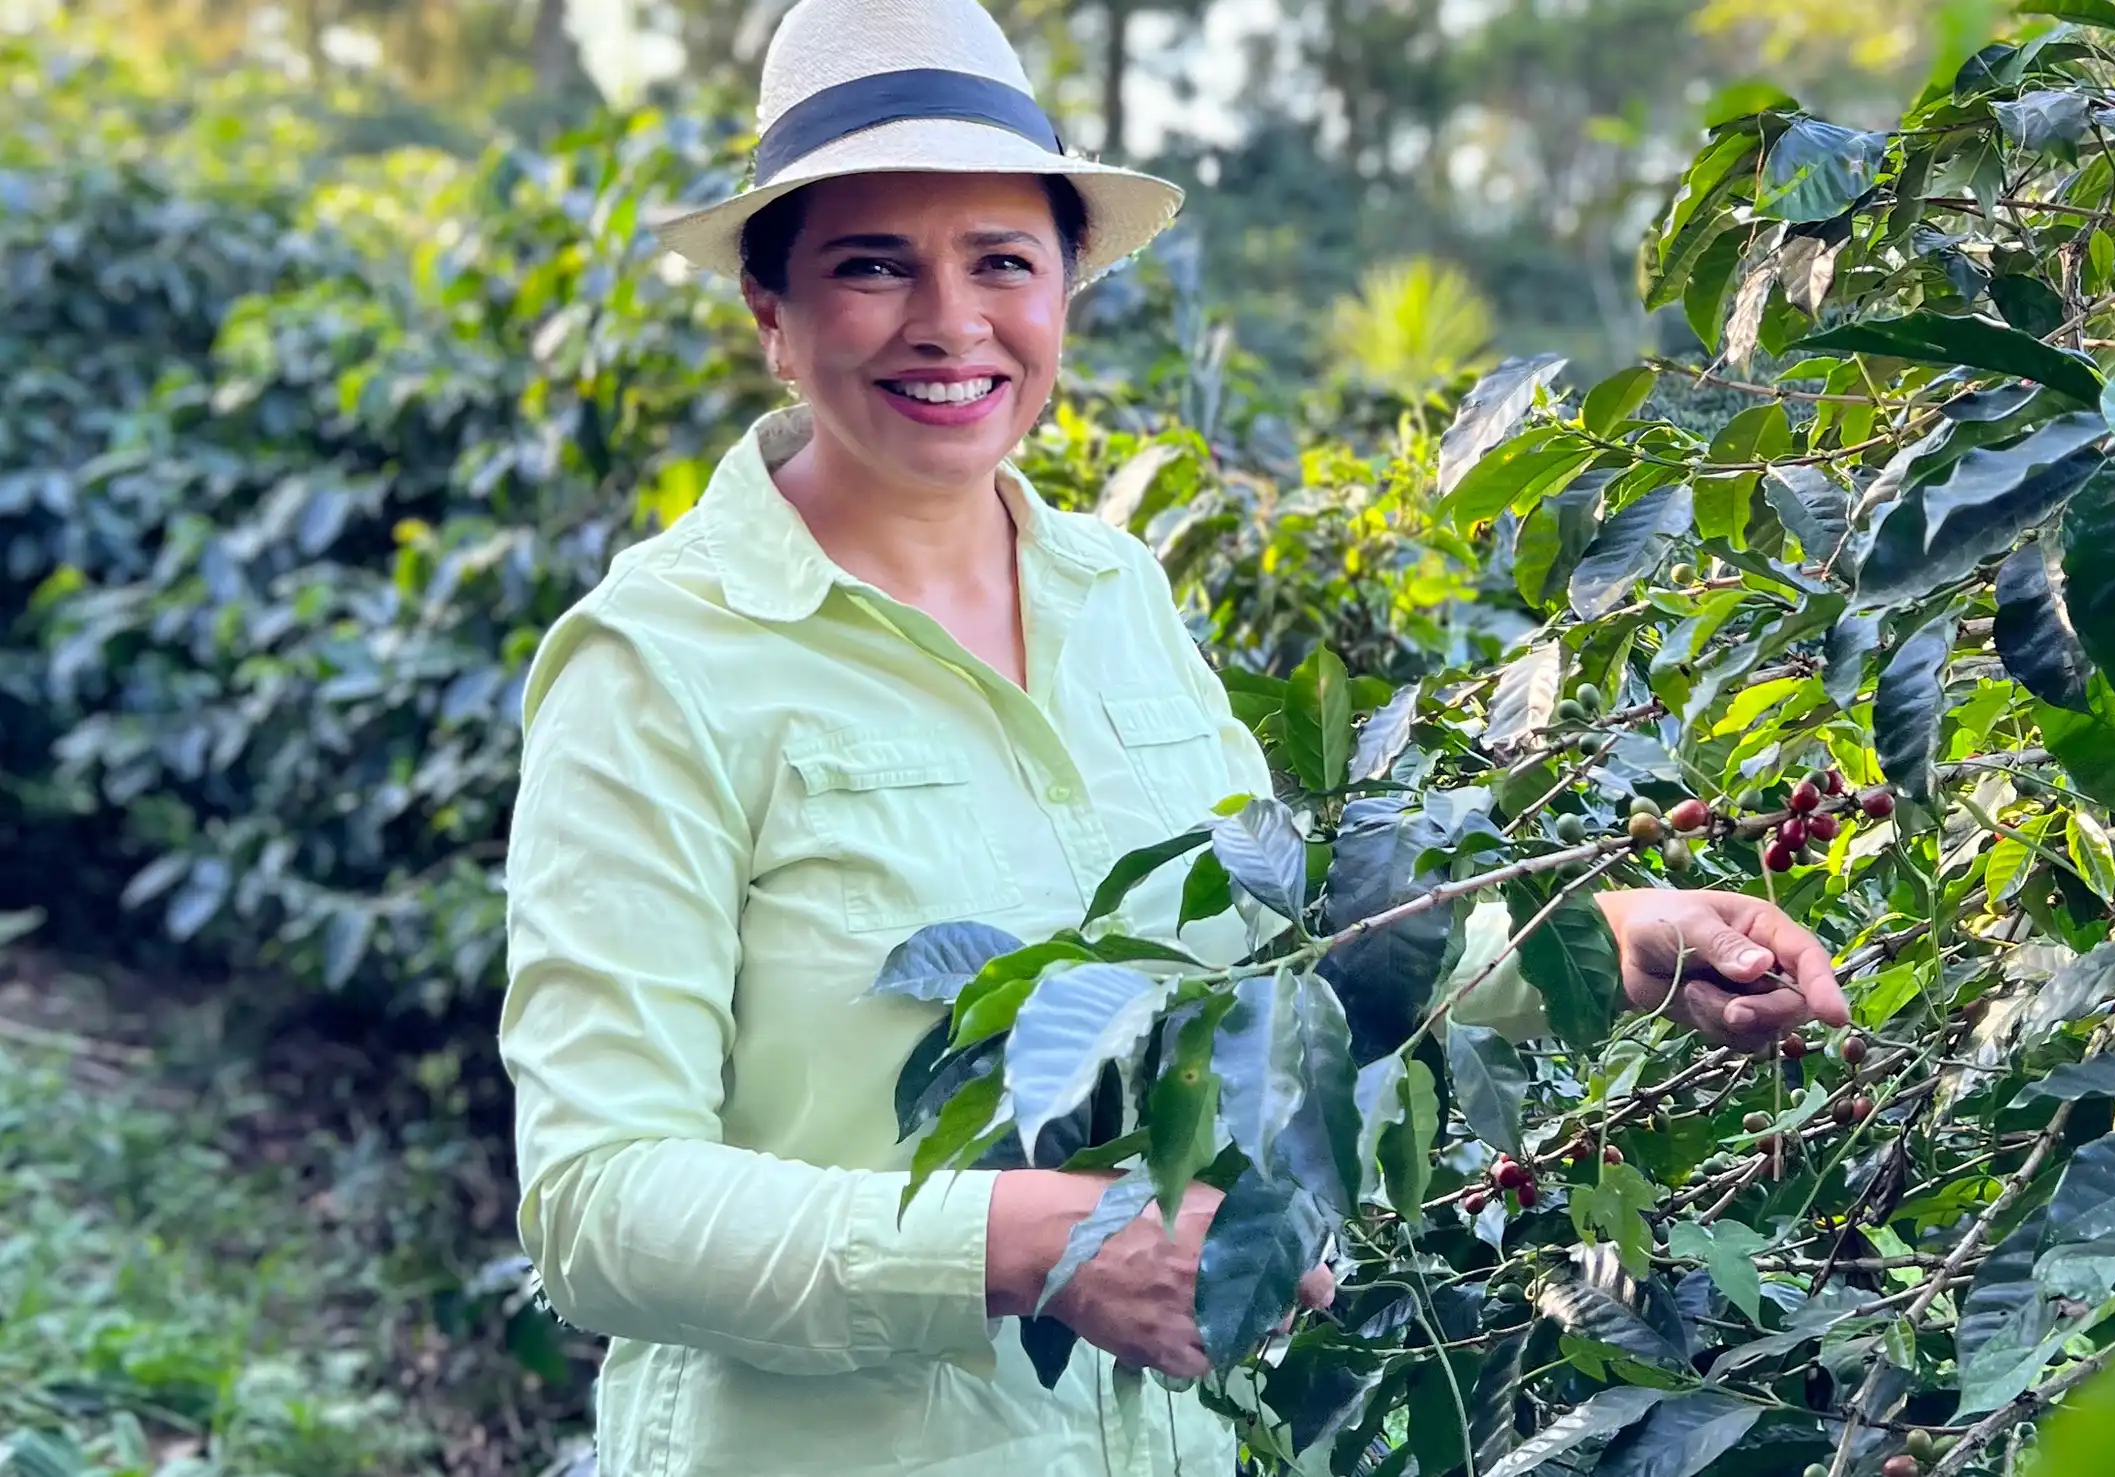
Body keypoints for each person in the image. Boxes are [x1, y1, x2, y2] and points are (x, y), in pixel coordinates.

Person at [495, 1, 1851, 1471]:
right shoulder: (659, 661)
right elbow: (597, 1207)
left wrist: (1610, 942)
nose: (949, 322)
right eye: (872, 266)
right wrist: (1024, 1244)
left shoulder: (1116, 592)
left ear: (1064, 293)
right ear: (773, 314)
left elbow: (1278, 945)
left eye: (1002, 262)